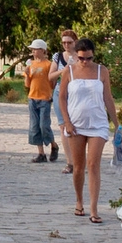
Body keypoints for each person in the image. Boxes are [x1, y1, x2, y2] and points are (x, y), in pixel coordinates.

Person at [57, 37, 117, 222]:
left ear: (93, 55)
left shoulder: (101, 71)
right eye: (81, 58)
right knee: (78, 167)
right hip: (76, 124)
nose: (85, 62)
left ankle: (94, 209)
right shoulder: (69, 71)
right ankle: (79, 201)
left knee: (93, 164)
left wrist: (117, 124)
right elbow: (62, 97)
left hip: (98, 124)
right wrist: (66, 122)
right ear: (76, 55)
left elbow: (108, 97)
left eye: (89, 58)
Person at [24, 38, 55, 163]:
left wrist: (50, 93)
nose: (33, 52)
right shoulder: (30, 64)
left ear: (43, 50)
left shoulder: (49, 65)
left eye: (35, 49)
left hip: (44, 99)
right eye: (32, 49)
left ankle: (54, 145)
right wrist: (27, 74)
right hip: (33, 98)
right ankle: (41, 153)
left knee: (44, 125)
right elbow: (27, 84)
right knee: (34, 126)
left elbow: (52, 83)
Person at [49, 29, 76, 169]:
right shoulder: (58, 56)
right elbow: (50, 76)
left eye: (69, 42)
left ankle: (78, 158)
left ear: (75, 42)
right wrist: (63, 70)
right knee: (63, 126)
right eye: (64, 42)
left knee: (76, 125)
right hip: (60, 92)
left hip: (76, 93)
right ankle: (69, 161)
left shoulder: (81, 56)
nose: (66, 45)